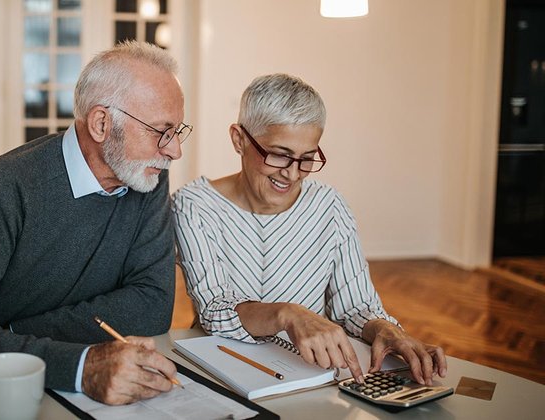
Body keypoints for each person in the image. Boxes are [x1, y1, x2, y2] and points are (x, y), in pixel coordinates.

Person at [0, 41, 192, 405]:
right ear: (102, 123)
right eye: (160, 131)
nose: (174, 151)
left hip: (80, 391)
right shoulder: (7, 183)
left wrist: (12, 334)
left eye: (178, 131)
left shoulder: (147, 178)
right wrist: (78, 364)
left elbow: (151, 306)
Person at [171, 73, 446, 386]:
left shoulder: (329, 206)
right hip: (223, 371)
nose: (292, 174)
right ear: (239, 139)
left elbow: (356, 306)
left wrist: (386, 330)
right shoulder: (194, 205)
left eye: (306, 158)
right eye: (279, 155)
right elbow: (214, 311)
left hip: (313, 374)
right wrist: (288, 314)